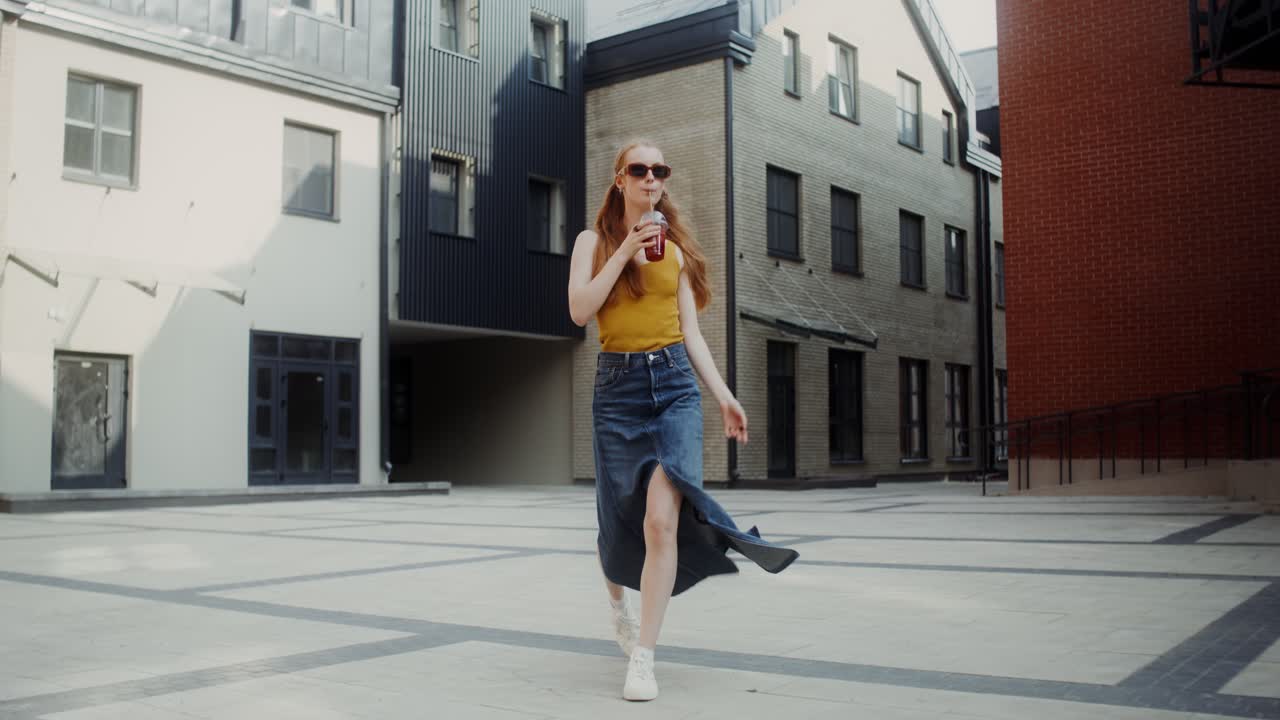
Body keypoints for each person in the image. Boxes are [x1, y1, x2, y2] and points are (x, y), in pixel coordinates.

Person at [567, 141, 799, 702]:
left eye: (660, 171)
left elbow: (690, 333)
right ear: (620, 179)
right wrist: (624, 251)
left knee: (659, 522)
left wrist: (723, 395)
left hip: (673, 388)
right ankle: (618, 607)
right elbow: (579, 309)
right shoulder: (593, 242)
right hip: (617, 393)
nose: (652, 179)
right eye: (641, 170)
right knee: (617, 517)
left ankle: (644, 657)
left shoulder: (676, 251)